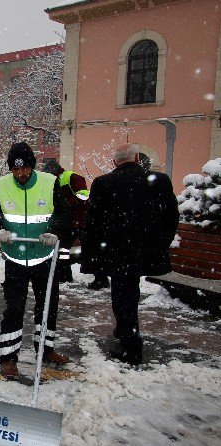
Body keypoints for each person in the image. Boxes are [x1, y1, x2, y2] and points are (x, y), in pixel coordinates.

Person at [81, 143, 179, 365]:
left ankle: (130, 345)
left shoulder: (103, 183)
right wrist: (160, 243)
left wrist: (93, 254)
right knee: (129, 294)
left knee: (122, 295)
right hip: (144, 250)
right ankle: (126, 332)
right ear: (137, 158)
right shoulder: (159, 181)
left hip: (116, 252)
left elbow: (93, 221)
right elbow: (171, 217)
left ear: (115, 162)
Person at [0, 142, 71, 379]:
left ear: (32, 166)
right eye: (15, 170)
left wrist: (55, 231)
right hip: (15, 258)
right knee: (14, 308)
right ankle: (8, 358)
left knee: (48, 306)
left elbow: (64, 213)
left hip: (44, 256)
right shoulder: (1, 186)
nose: (20, 174)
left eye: (24, 169)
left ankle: (46, 349)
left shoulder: (49, 183)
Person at [41, 159, 106, 286]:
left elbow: (83, 196)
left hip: (81, 221)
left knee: (90, 249)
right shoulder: (55, 181)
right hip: (68, 222)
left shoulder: (71, 177)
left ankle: (101, 278)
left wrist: (67, 205)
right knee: (62, 250)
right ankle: (65, 275)